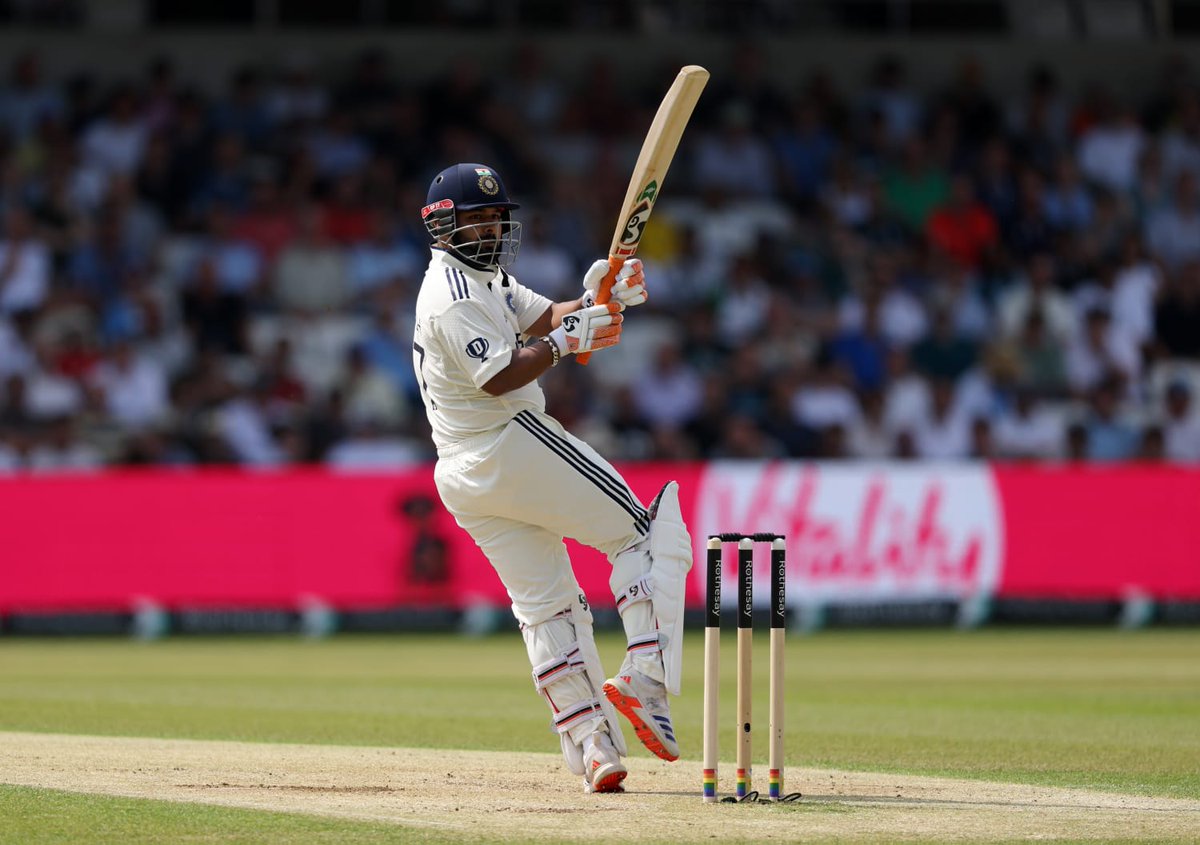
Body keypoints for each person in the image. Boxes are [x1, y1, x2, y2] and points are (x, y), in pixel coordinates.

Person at [411, 163, 693, 794]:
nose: (489, 227)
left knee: (547, 607)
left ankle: (593, 744)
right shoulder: (452, 296)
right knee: (647, 533)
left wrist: (601, 296)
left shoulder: (487, 279)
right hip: (507, 441)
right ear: (442, 226)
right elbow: (502, 375)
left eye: (494, 216)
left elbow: (553, 319)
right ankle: (646, 673)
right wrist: (570, 339)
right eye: (474, 218)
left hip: (463, 476)